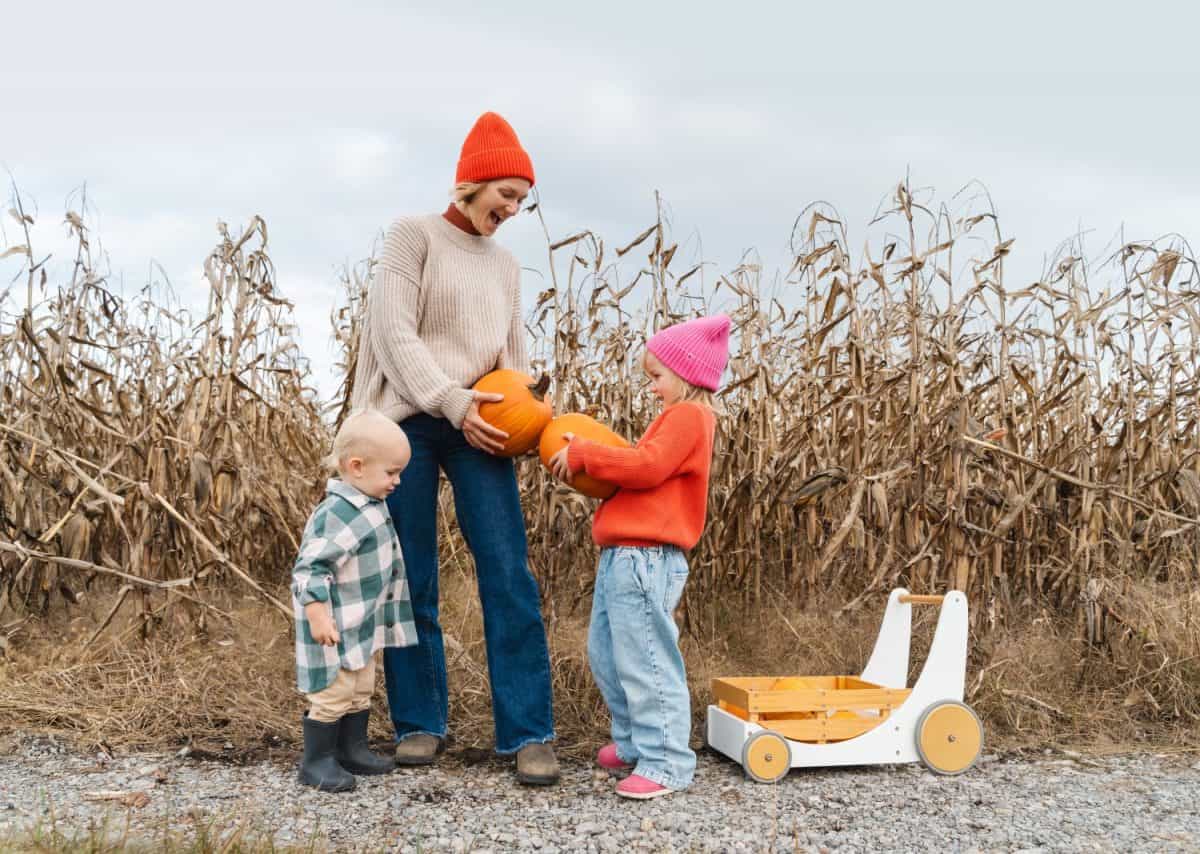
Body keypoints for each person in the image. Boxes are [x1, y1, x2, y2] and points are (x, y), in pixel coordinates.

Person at [350, 112, 558, 785]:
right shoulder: (413, 236)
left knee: (507, 571)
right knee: (409, 575)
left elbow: (513, 355)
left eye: (523, 199)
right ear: (472, 181)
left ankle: (528, 733)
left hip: (483, 422)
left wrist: (530, 407)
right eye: (507, 192)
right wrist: (452, 401)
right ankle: (418, 722)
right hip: (407, 420)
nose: (513, 208)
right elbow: (393, 336)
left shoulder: (504, 265)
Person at [549, 314, 730, 799]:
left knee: (647, 657)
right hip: (624, 555)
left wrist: (588, 453)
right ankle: (633, 743)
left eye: (657, 376)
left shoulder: (690, 417)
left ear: (686, 372)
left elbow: (647, 467)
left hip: (647, 557)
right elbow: (643, 469)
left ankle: (666, 760)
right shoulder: (674, 417)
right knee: (608, 653)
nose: (651, 387)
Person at [292, 409, 417, 793]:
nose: (398, 481)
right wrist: (317, 616)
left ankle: (352, 748)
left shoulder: (369, 502)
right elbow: (310, 569)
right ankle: (316, 761)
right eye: (392, 473)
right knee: (334, 693)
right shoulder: (339, 513)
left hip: (362, 623)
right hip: (335, 626)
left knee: (361, 687)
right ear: (357, 466)